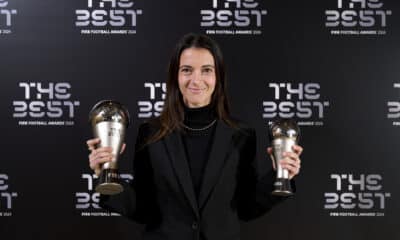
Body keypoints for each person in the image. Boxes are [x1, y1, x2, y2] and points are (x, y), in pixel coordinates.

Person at [86, 33, 302, 240]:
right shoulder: (151, 132)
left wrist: (281, 176)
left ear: (218, 76)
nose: (196, 80)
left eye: (206, 70)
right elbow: (143, 209)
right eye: (187, 70)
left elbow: (246, 208)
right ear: (175, 76)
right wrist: (106, 176)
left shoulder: (242, 134)